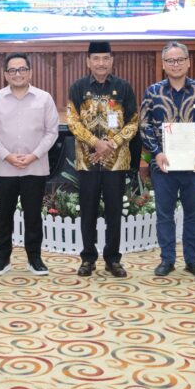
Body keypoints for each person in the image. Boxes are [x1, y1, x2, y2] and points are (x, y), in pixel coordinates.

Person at [139, 42, 195, 278]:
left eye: (180, 59)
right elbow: (144, 125)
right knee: (165, 214)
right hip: (163, 165)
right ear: (163, 64)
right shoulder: (153, 92)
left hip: (194, 165)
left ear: (188, 62)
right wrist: (156, 152)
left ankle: (192, 260)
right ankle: (167, 259)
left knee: (194, 214)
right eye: (170, 61)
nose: (176, 64)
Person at [0, 52, 59, 276]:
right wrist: (7, 155)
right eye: (13, 70)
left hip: (35, 167)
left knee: (33, 216)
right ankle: (2, 259)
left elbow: (51, 132)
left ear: (30, 72)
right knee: (3, 216)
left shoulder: (44, 98)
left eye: (22, 69)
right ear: (6, 74)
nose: (18, 74)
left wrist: (34, 155)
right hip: (4, 167)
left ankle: (34, 259)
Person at [66, 41, 139, 278]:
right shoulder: (78, 87)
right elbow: (73, 121)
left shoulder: (123, 87)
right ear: (88, 61)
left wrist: (112, 144)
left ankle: (113, 259)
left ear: (112, 61)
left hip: (116, 162)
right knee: (87, 211)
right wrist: (95, 142)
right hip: (87, 162)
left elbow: (133, 122)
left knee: (114, 212)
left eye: (105, 58)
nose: (101, 63)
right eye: (96, 58)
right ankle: (88, 258)